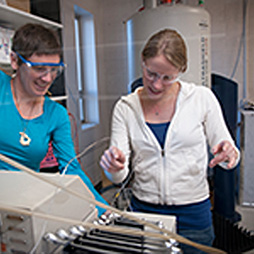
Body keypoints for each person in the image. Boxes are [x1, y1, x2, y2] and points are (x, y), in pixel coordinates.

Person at [100, 29, 240, 253]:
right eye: (151, 74)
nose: (156, 84)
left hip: (193, 216)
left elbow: (227, 152)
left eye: (167, 78)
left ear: (181, 71)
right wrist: (113, 167)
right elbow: (119, 174)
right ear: (142, 62)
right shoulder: (125, 107)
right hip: (144, 214)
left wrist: (229, 154)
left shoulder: (202, 99)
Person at [0, 17, 107, 215]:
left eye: (54, 70)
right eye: (39, 68)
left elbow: (71, 169)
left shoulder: (56, 114)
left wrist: (106, 210)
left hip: (25, 207)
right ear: (15, 60)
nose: (48, 78)